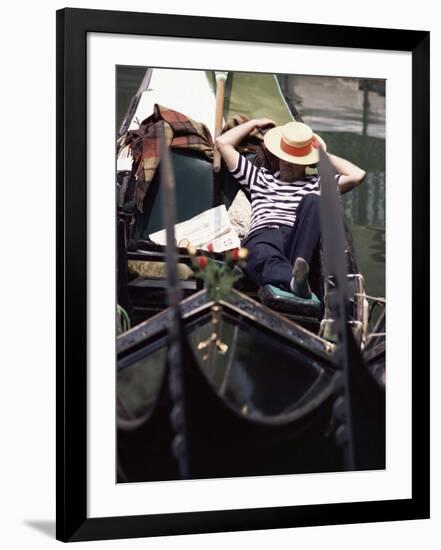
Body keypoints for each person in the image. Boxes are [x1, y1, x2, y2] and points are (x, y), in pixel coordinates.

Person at [215, 118, 366, 300]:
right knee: (258, 252)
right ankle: (294, 281)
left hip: (297, 242)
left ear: (306, 163)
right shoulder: (259, 178)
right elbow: (223, 143)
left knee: (314, 201)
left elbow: (357, 175)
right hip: (264, 235)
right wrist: (254, 123)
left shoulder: (317, 183)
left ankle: (298, 274)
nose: (286, 163)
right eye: (284, 157)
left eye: (294, 160)